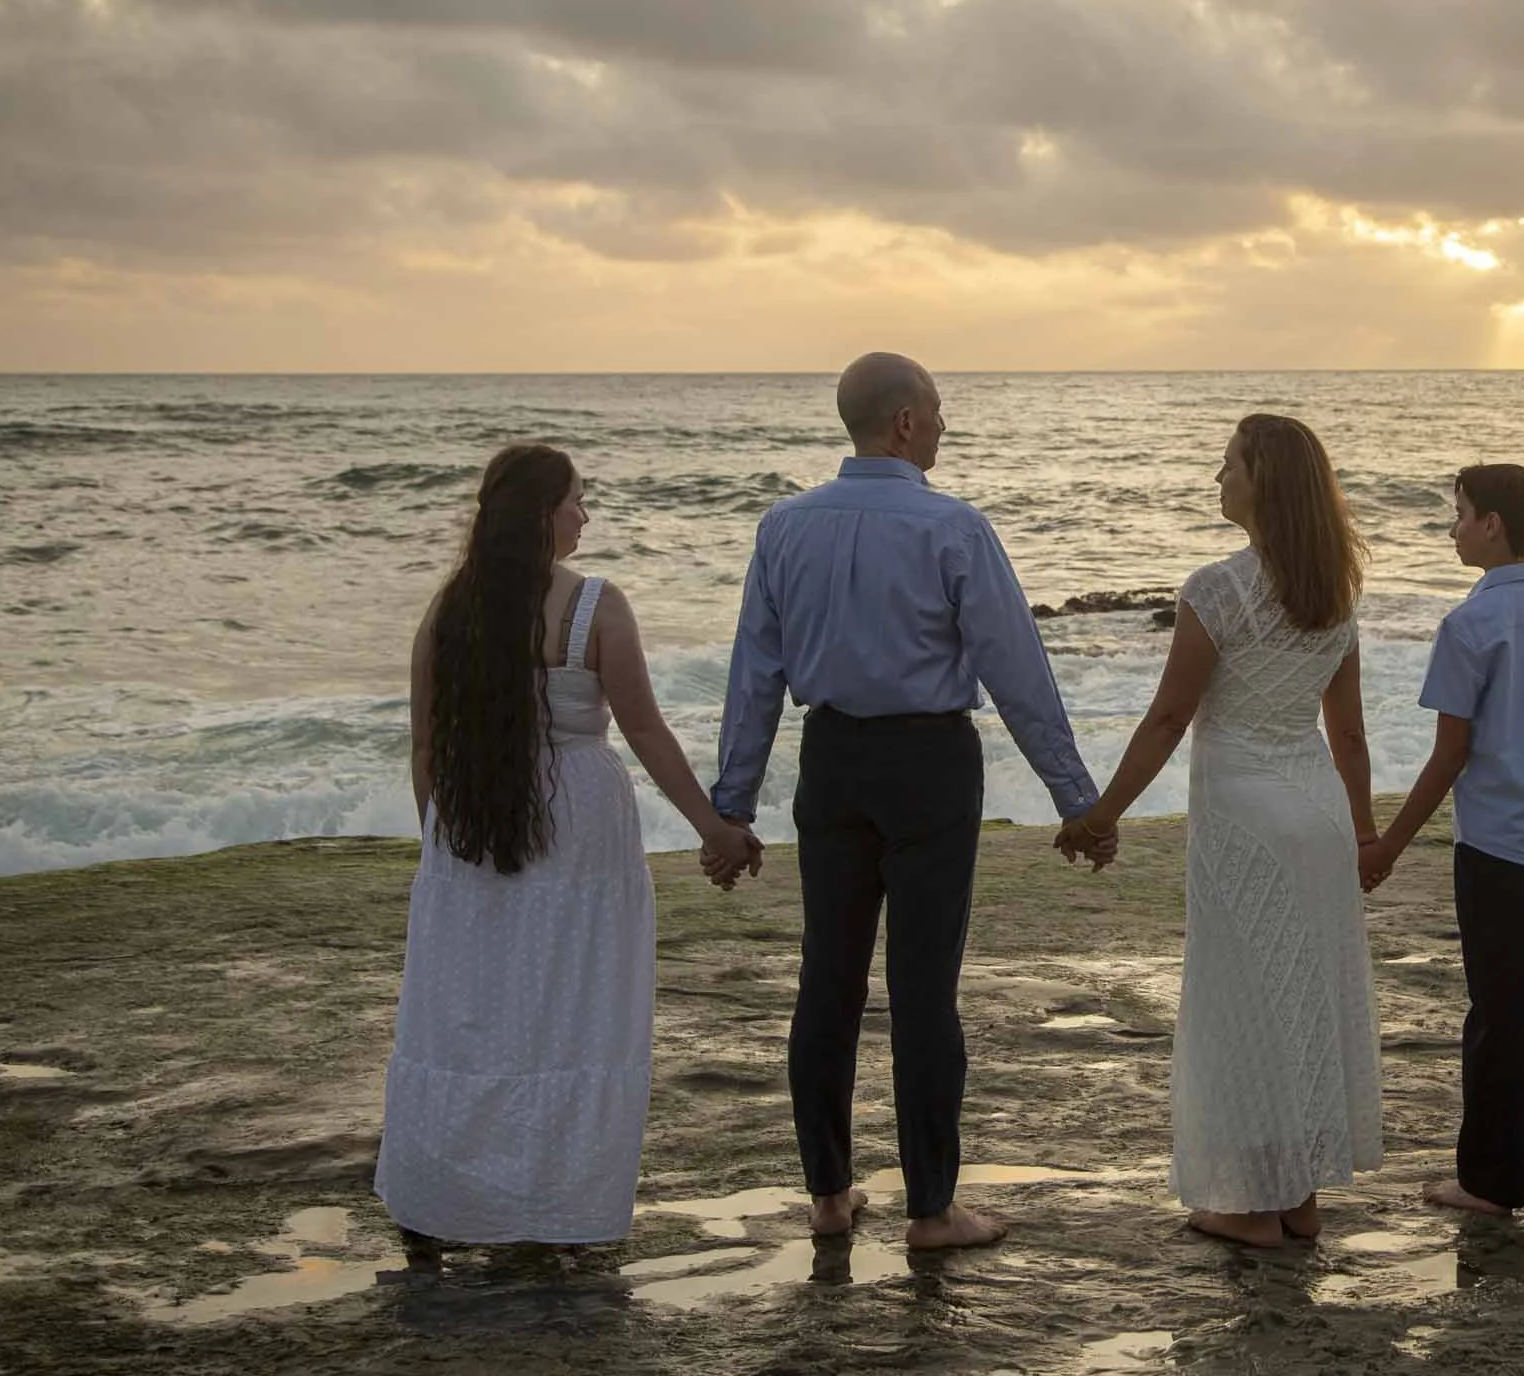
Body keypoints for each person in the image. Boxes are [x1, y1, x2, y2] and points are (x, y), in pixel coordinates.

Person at [710, 352, 1112, 1252]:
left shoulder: (784, 528)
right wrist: (1076, 801)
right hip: (930, 761)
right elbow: (1017, 672)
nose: (942, 422)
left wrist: (730, 809)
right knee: (924, 991)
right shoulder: (953, 527)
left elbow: (755, 676)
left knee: (829, 979)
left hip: (833, 759)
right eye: (935, 409)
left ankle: (828, 1194)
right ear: (902, 422)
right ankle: (931, 1209)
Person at [378, 445, 762, 1266]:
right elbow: (648, 732)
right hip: (577, 821)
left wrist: (443, 851)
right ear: (543, 513)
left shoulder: (450, 610)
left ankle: (435, 1205)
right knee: (573, 1012)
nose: (585, 516)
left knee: (466, 1017)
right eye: (578, 501)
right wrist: (714, 827)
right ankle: (550, 1208)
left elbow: (425, 743)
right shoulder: (591, 606)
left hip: (471, 820)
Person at [1069, 415, 1384, 1249]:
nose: (1218, 476)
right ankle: (1299, 1195)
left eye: (1230, 464)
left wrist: (1104, 812)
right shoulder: (1335, 592)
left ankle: (1248, 1209)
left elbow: (1171, 714)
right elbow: (1348, 735)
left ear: (1263, 483)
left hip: (1245, 817)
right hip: (1315, 813)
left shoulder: (1218, 587)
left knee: (1244, 1001)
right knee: (1303, 997)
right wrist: (1363, 832)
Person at [1362, 465, 1524, 1217]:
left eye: (1460, 513)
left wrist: (1389, 844)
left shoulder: (1469, 625)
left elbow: (1450, 753)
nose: (1452, 527)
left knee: (1503, 1011)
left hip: (1501, 842)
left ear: (1494, 523)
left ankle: (1489, 1180)